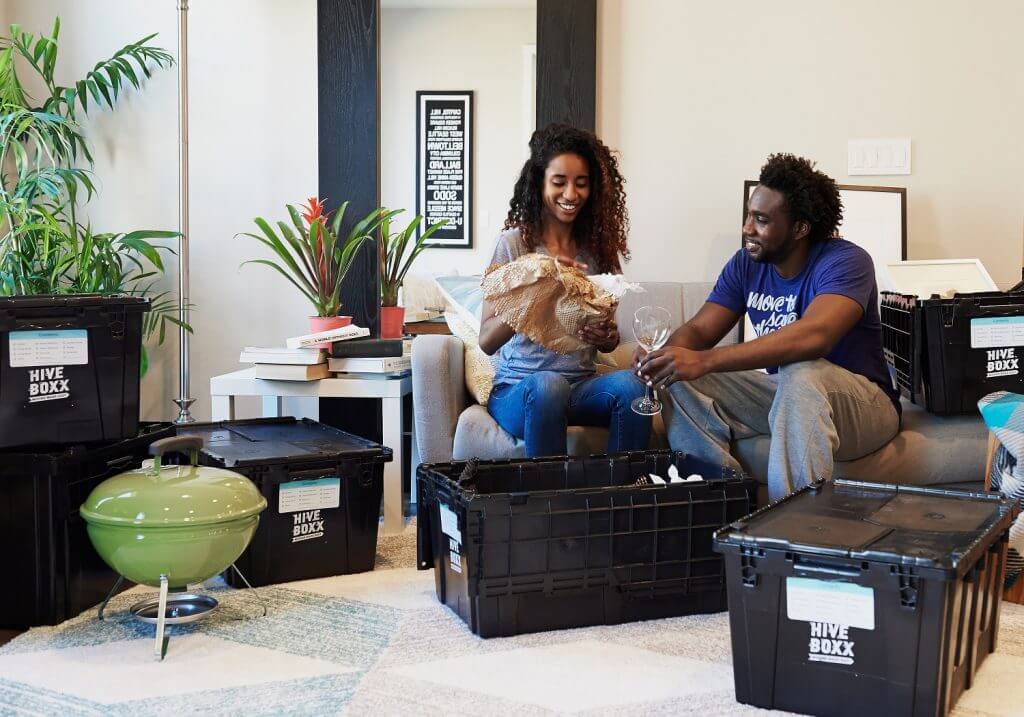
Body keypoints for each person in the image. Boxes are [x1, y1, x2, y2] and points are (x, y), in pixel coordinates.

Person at [635, 153, 900, 499]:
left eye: (761, 220)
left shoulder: (846, 261)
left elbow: (815, 336)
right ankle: (715, 502)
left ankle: (791, 533)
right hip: (790, 395)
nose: (747, 228)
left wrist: (706, 360)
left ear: (800, 228)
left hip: (864, 406)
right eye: (748, 216)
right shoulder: (746, 263)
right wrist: (664, 356)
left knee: (802, 371)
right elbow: (699, 332)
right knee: (677, 374)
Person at [478, 123, 651, 457]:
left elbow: (610, 338)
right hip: (520, 389)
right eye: (559, 182)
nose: (571, 194)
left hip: (580, 386)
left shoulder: (596, 249)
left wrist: (605, 336)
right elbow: (486, 341)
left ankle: (619, 502)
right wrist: (539, 289)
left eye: (581, 183)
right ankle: (549, 506)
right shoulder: (514, 245)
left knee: (632, 388)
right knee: (549, 384)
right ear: (540, 182)